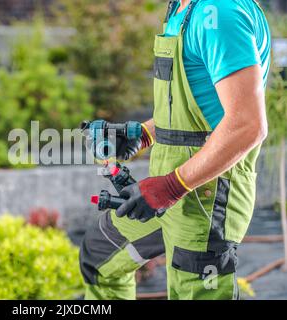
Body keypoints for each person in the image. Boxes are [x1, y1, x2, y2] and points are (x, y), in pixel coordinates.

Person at [80, 0, 271, 300]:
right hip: (166, 190)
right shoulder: (182, 9)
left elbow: (247, 124)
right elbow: (201, 110)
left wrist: (170, 187)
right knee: (99, 257)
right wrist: (142, 134)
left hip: (205, 199)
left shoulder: (219, 11)